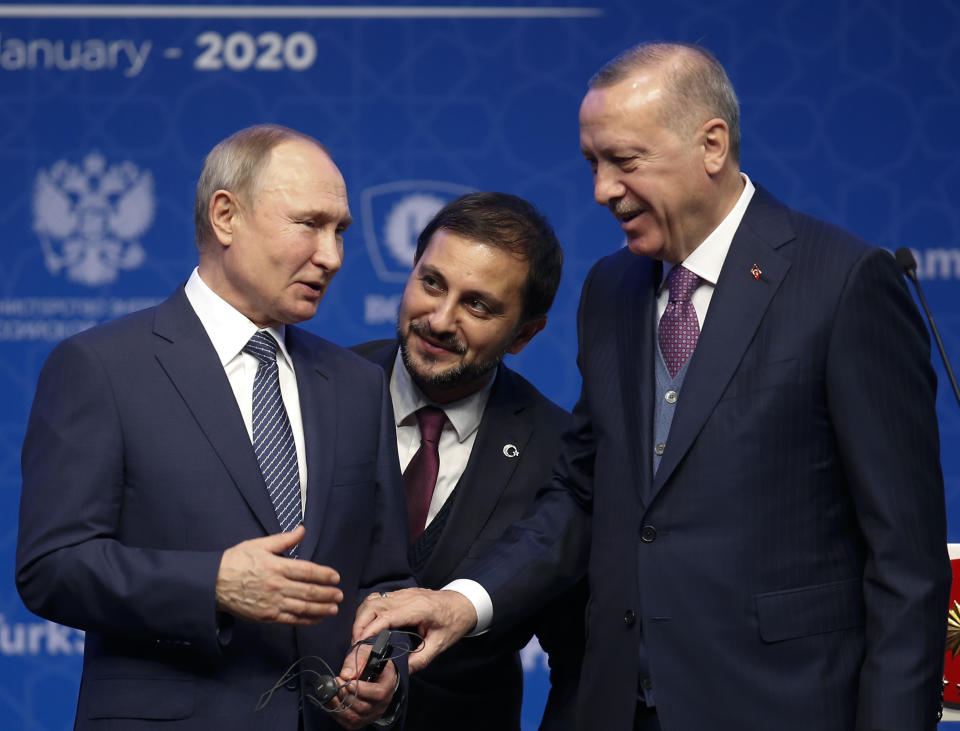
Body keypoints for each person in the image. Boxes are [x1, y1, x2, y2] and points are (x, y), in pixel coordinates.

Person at [353, 42, 951, 730]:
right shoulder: (612, 289)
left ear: (712, 145)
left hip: (779, 705)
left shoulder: (844, 284)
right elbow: (583, 491)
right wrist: (464, 601)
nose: (603, 188)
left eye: (624, 161)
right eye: (593, 164)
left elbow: (906, 563)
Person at [16, 124, 413, 731]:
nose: (331, 255)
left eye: (340, 232)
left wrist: (385, 658)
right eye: (309, 224)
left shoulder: (356, 385)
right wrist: (213, 584)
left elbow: (386, 578)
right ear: (225, 216)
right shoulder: (102, 367)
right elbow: (53, 568)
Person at [352, 192, 585, 731]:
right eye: (431, 283)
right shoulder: (311, 389)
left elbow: (582, 656)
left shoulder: (561, 451)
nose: (440, 319)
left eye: (477, 305)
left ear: (525, 334)